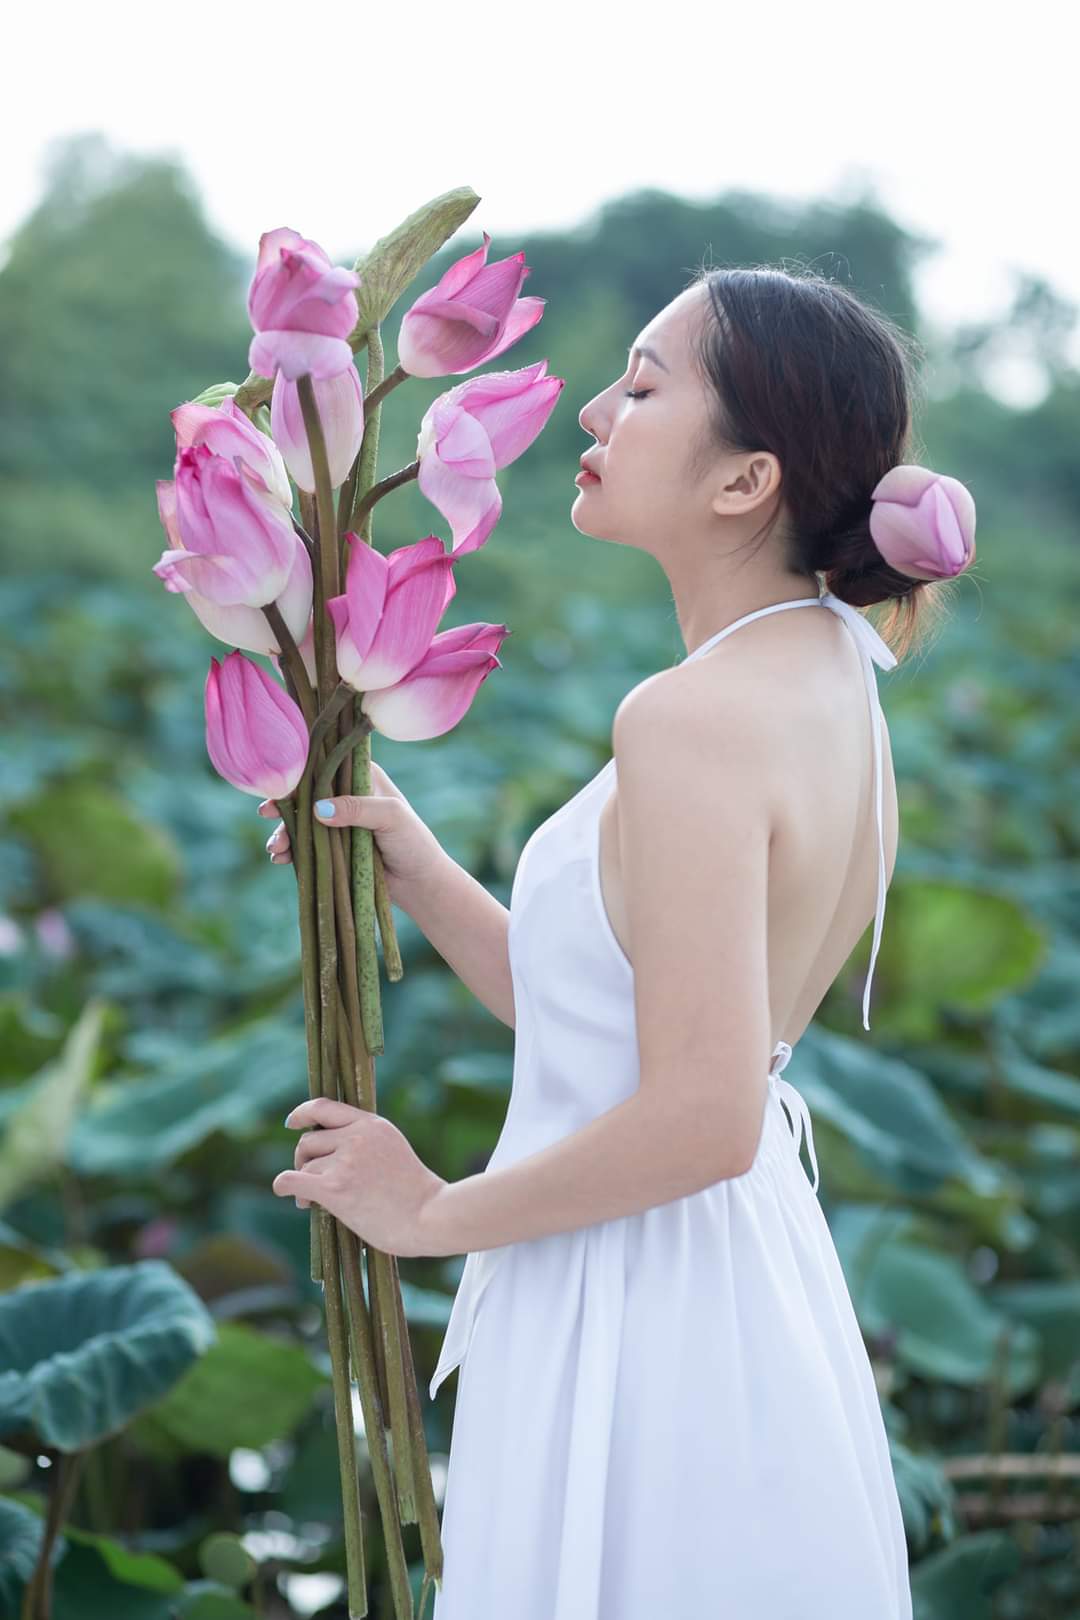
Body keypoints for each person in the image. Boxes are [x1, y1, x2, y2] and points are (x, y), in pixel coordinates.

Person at [261, 265, 976, 1618]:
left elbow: (701, 1113)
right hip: (723, 1275)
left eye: (645, 386)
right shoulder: (832, 675)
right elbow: (633, 1030)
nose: (596, 406)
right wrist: (413, 867)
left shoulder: (689, 720)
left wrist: (432, 1215)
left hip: (640, 1303)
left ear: (743, 481)